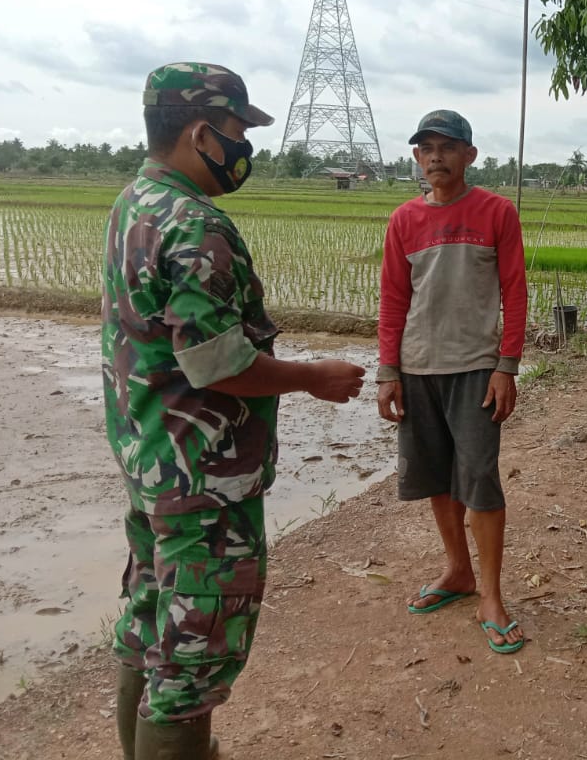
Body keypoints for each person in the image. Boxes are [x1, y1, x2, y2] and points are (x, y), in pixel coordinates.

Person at [103, 62, 366, 760]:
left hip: (149, 461)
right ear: (200, 131)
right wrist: (313, 377)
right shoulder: (195, 225)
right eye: (239, 130)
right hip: (203, 481)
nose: (246, 145)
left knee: (151, 626)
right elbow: (219, 365)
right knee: (191, 662)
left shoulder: (135, 202)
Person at [376, 110, 529, 654]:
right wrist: (387, 372)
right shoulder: (403, 222)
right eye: (426, 148)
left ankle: (491, 594)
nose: (435, 156)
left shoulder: (496, 212)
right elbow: (394, 299)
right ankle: (457, 571)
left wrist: (506, 366)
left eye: (447, 147)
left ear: (470, 155)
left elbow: (515, 290)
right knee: (438, 478)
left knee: (479, 479)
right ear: (416, 158)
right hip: (418, 369)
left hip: (475, 370)